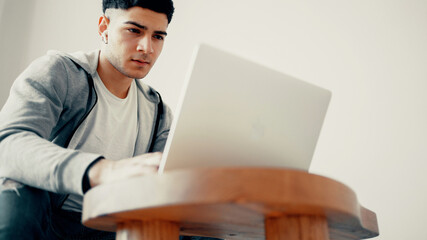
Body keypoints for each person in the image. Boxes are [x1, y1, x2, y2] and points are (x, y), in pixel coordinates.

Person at [0, 0, 219, 239]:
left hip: (107, 227)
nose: (147, 47)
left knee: (204, 230)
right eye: (134, 30)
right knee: (18, 192)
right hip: (45, 217)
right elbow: (9, 144)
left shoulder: (158, 112)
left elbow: (163, 189)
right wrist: (103, 170)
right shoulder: (59, 72)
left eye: (158, 36)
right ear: (104, 27)